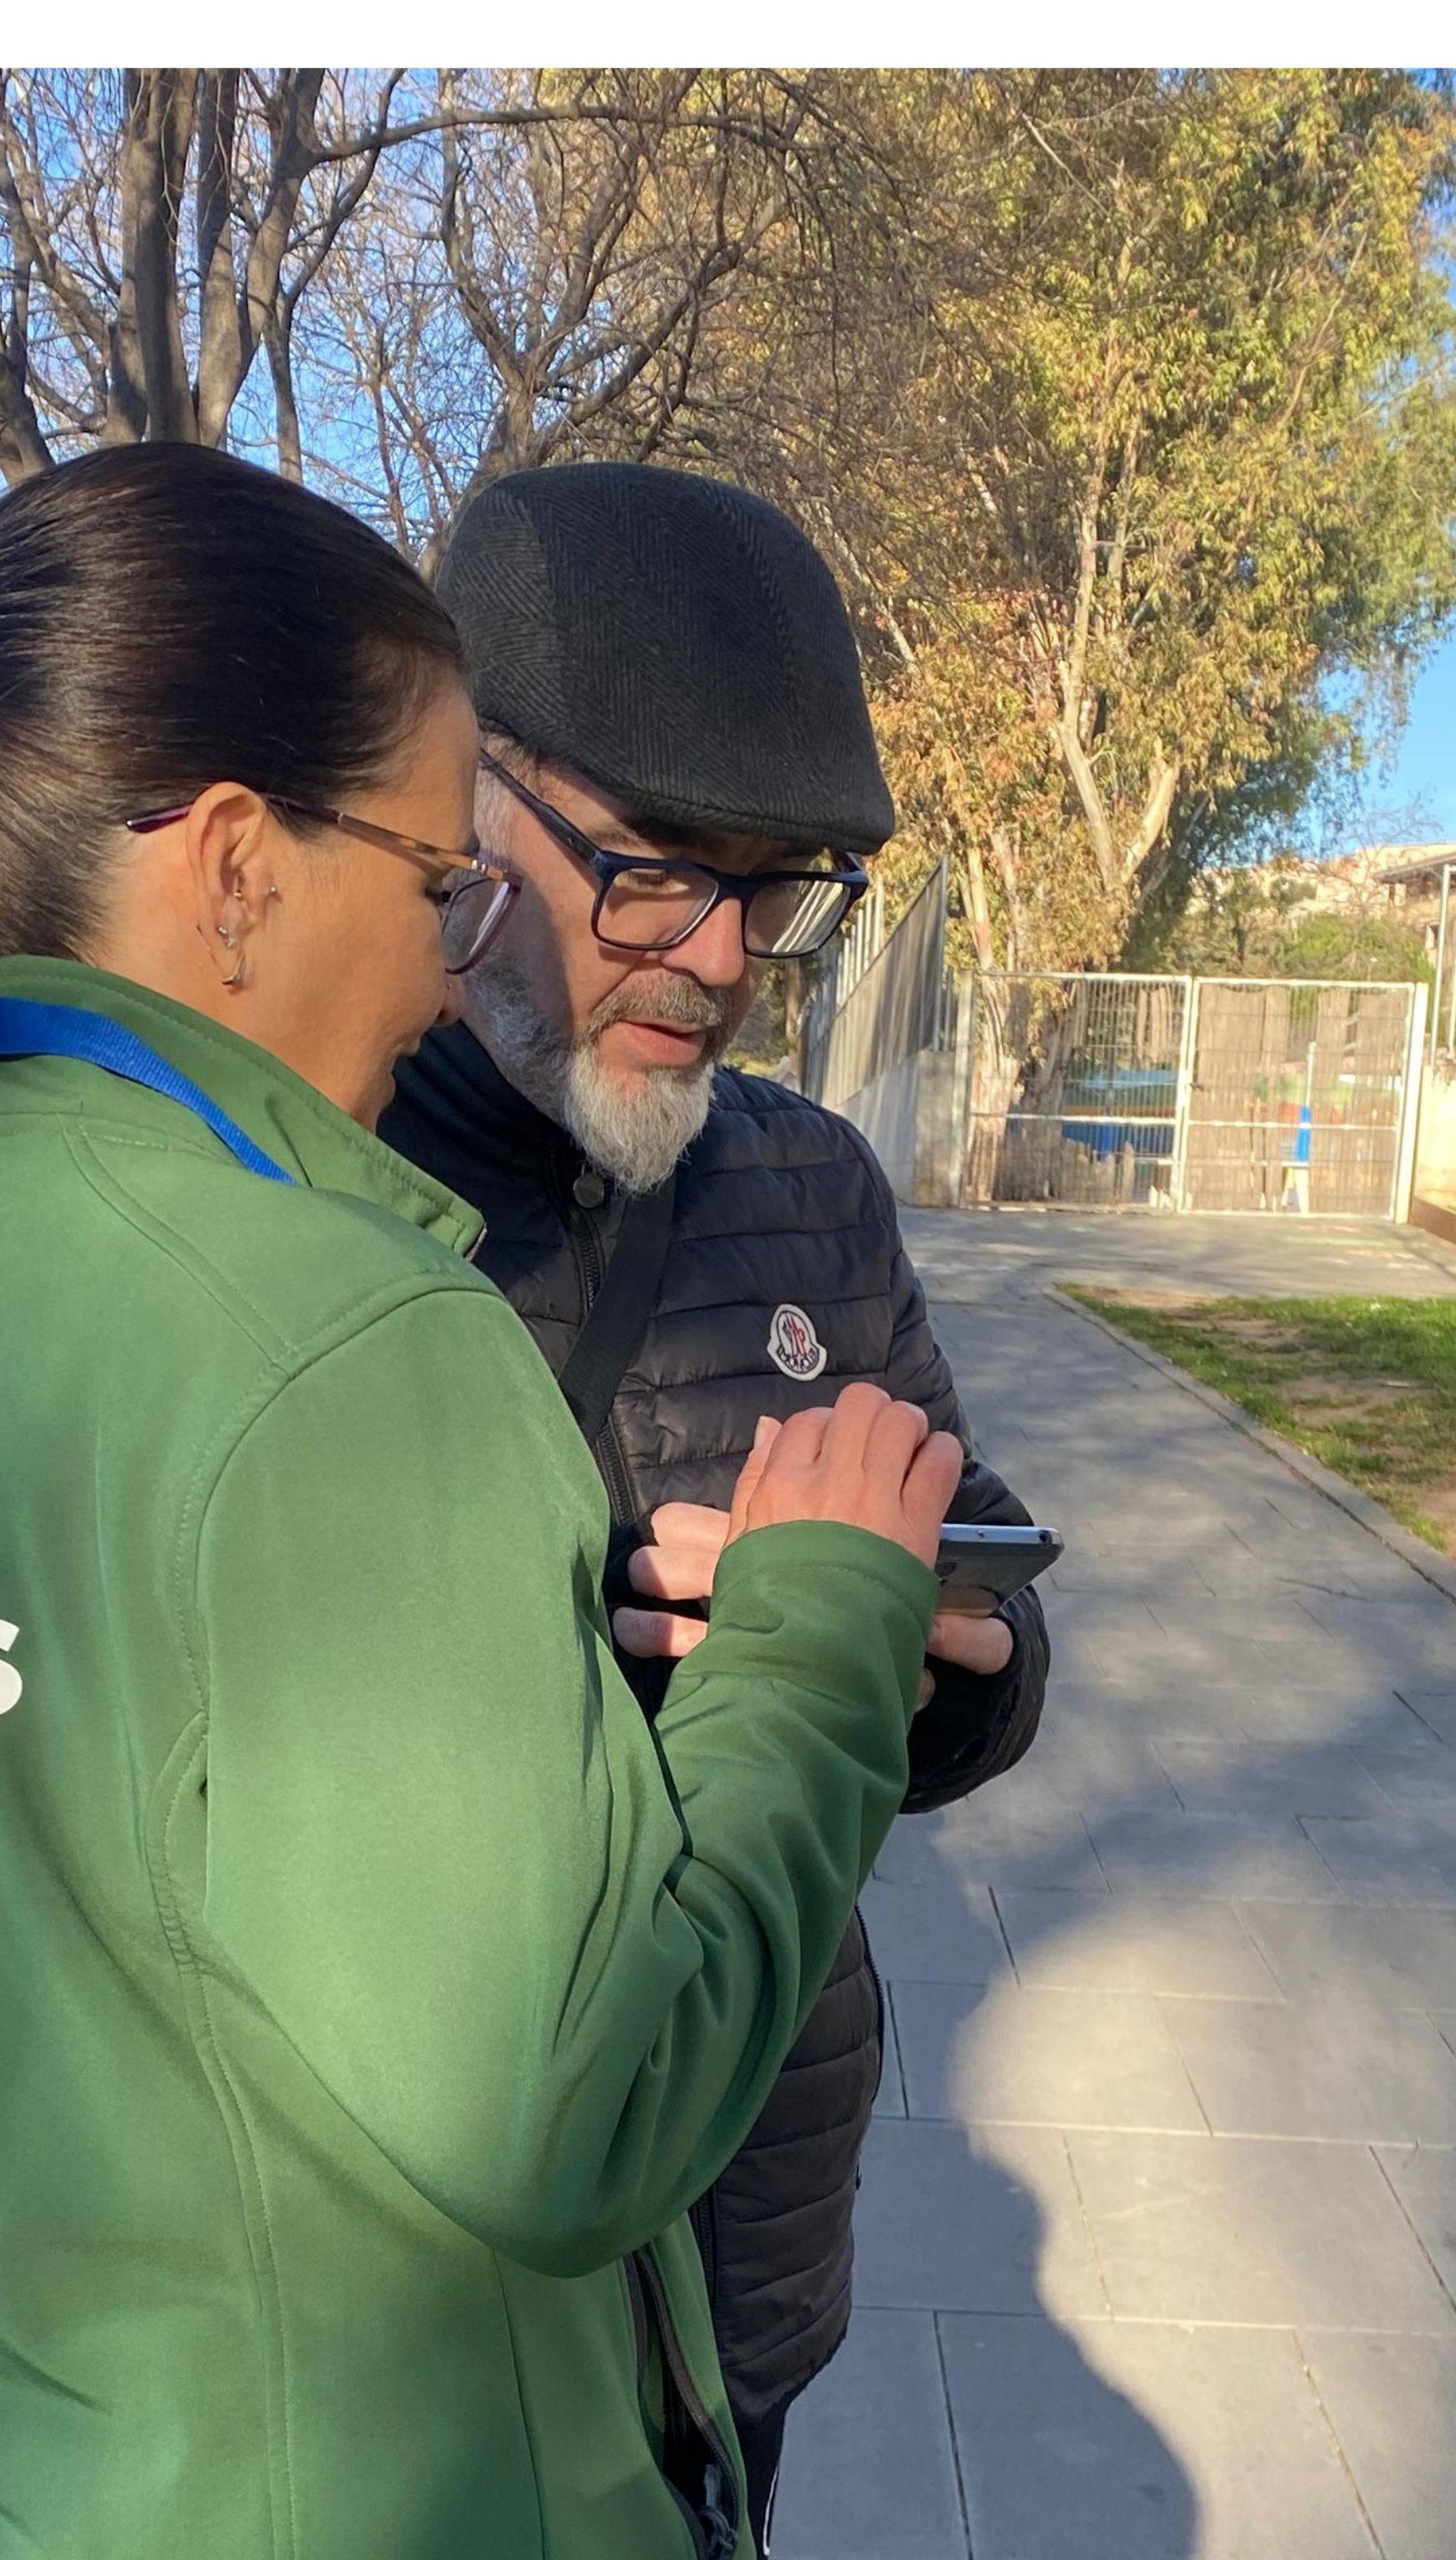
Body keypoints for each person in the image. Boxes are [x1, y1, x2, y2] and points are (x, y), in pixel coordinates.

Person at [0, 445, 966, 2560]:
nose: (448, 961)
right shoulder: (343, 1324)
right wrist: (814, 1643)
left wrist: (91, 2261)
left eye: (773, 893)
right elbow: (571, 2115)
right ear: (238, 866)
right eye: (444, 877)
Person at [380, 461, 1053, 2529]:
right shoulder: (310, 1180)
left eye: (776, 890)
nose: (723, 958)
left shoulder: (807, 1184)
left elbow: (997, 1614)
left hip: (744, 2208)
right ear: (458, 800)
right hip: (425, 2259)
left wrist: (924, 1652)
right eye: (658, 868)